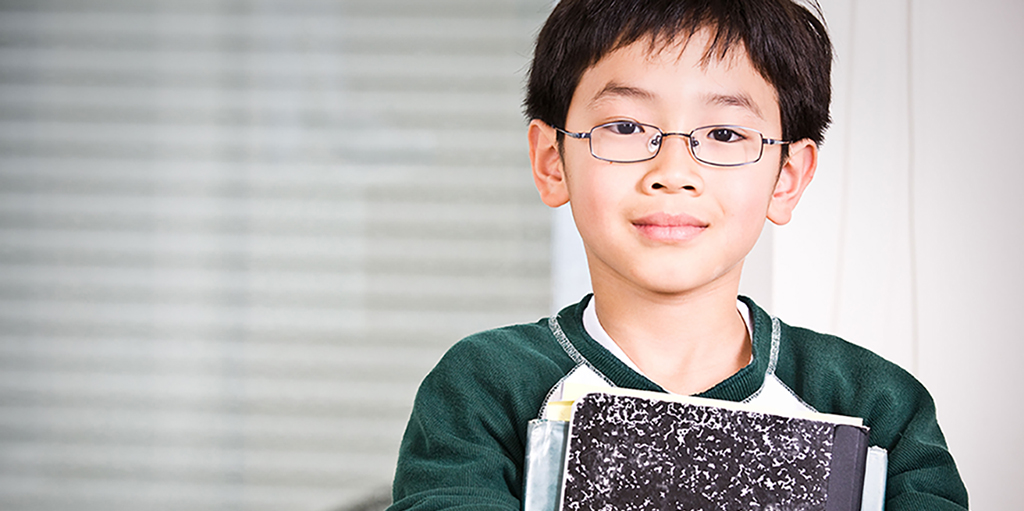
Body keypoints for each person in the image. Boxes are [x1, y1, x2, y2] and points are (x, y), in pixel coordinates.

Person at [387, 0, 968, 509]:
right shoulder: (486, 386)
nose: (673, 173)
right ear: (550, 160)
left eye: (724, 135)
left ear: (787, 177)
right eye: (625, 126)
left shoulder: (877, 406)